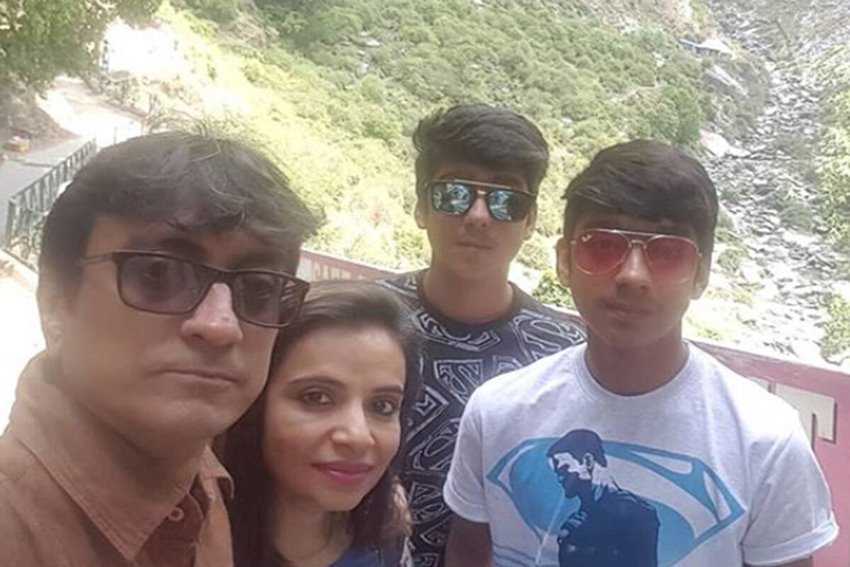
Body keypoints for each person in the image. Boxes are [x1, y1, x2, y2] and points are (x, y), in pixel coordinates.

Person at [443, 140, 838, 567]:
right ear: (565, 260)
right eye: (602, 244)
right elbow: (468, 552)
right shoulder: (497, 411)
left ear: (701, 274)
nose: (632, 276)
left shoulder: (766, 440)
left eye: (667, 253)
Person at [0, 131, 318, 566]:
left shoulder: (203, 484)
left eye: (259, 289)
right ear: (57, 303)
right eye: (157, 273)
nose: (220, 326)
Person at [379, 103, 585, 566]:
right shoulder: (363, 320)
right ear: (420, 206)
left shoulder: (562, 355)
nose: (478, 216)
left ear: (530, 220)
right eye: (454, 193)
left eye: (506, 200)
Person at [224, 281, 422, 566]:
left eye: (383, 406)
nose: (358, 436)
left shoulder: (387, 536)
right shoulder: (185, 543)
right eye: (316, 397)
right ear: (255, 401)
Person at [547, 429, 659, 566]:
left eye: (564, 469)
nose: (560, 478)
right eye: (557, 473)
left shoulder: (633, 511)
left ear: (588, 461)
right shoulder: (580, 518)